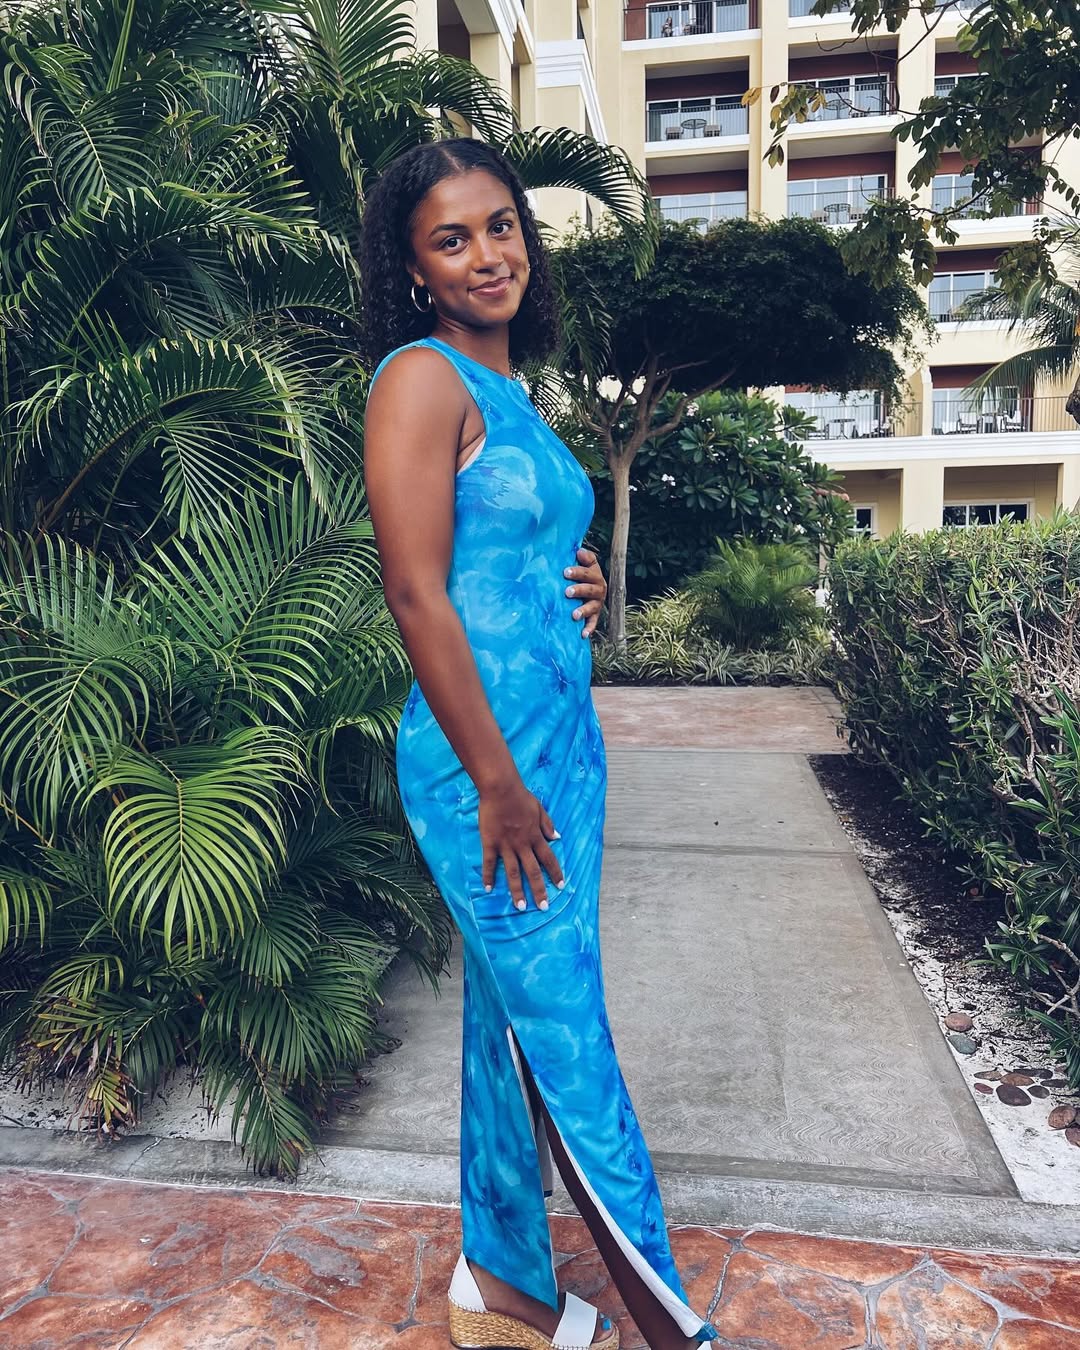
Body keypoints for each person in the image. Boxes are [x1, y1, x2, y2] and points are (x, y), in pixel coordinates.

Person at [360, 137, 719, 1350]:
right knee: (571, 1042)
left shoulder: (510, 391)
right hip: (489, 771)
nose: (486, 255)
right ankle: (674, 1328)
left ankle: (504, 1278)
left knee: (510, 1022)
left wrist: (585, 585)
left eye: (501, 225)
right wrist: (495, 783)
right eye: (451, 239)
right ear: (414, 270)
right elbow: (416, 591)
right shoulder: (419, 380)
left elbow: (507, 555)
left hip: (560, 751)